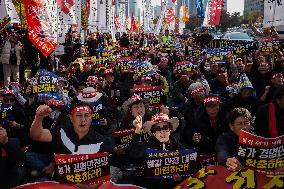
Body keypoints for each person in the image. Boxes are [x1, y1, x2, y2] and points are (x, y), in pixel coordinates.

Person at [30, 102, 114, 154]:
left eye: (87, 116)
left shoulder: (101, 142)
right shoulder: (60, 132)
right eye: (78, 115)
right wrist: (39, 117)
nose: (83, 120)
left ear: (91, 118)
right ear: (71, 118)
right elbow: (37, 135)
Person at [128, 113, 184, 189]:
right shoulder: (150, 142)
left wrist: (182, 175)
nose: (162, 131)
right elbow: (135, 153)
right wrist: (137, 130)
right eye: (157, 129)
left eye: (165, 127)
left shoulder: (174, 141)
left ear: (170, 130)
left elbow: (188, 158)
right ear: (153, 133)